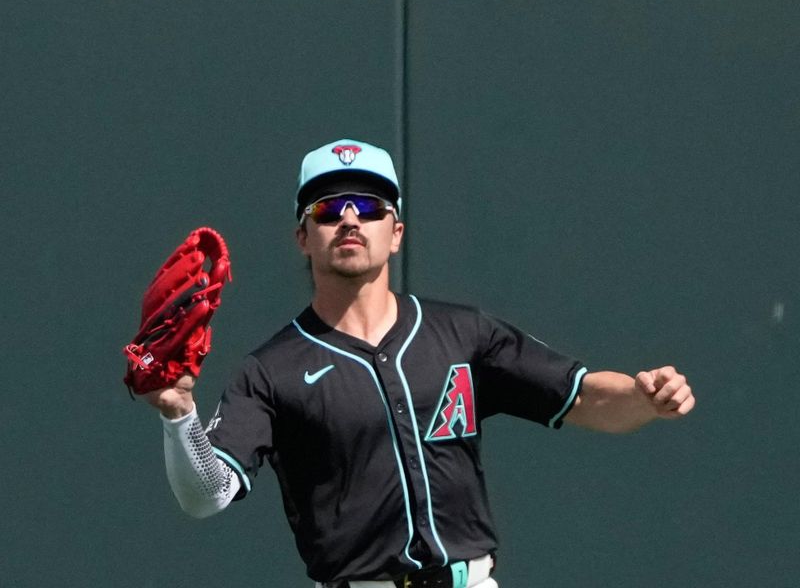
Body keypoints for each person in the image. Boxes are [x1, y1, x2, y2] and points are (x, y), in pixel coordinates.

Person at [145, 138, 695, 588]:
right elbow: (207, 492)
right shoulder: (271, 369)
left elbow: (581, 397)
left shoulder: (463, 332)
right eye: (328, 209)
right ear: (302, 238)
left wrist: (644, 398)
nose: (350, 219)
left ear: (397, 233)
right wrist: (178, 413)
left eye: (370, 207)